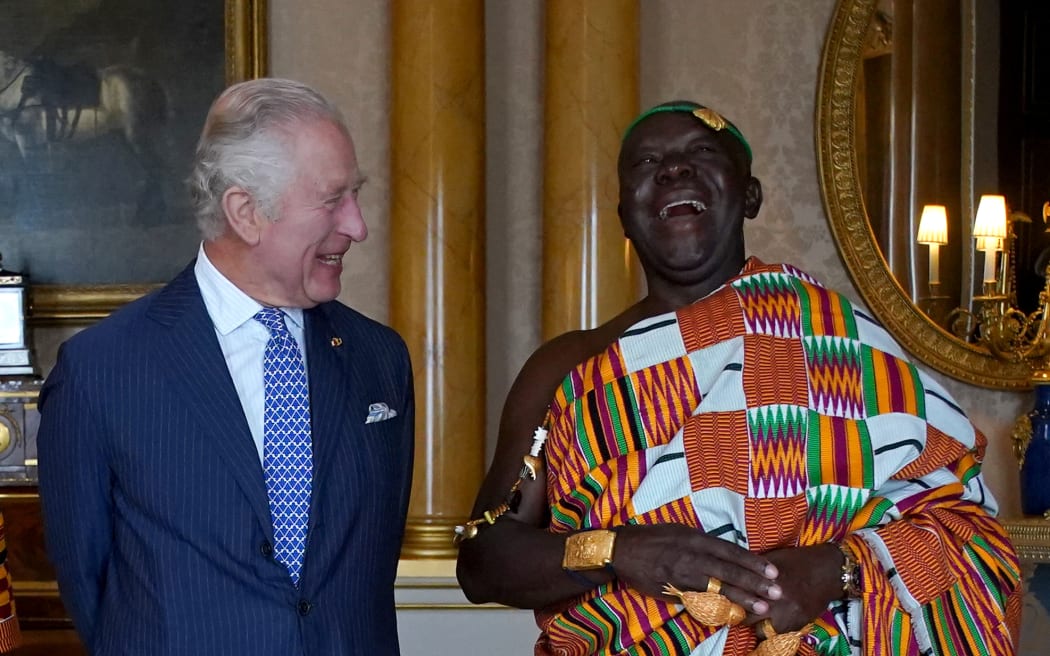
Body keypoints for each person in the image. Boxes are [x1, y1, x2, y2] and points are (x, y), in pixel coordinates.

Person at [456, 101, 1021, 656]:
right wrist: (618, 551)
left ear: (749, 195)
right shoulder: (568, 366)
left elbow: (967, 528)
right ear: (624, 214)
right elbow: (482, 563)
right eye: (646, 163)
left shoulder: (842, 341)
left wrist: (837, 568)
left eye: (700, 151)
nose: (674, 168)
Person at [37, 78, 414, 655]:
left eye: (355, 195)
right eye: (332, 199)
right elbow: (90, 586)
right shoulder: (102, 371)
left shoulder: (379, 359)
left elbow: (372, 563)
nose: (357, 226)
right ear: (245, 212)